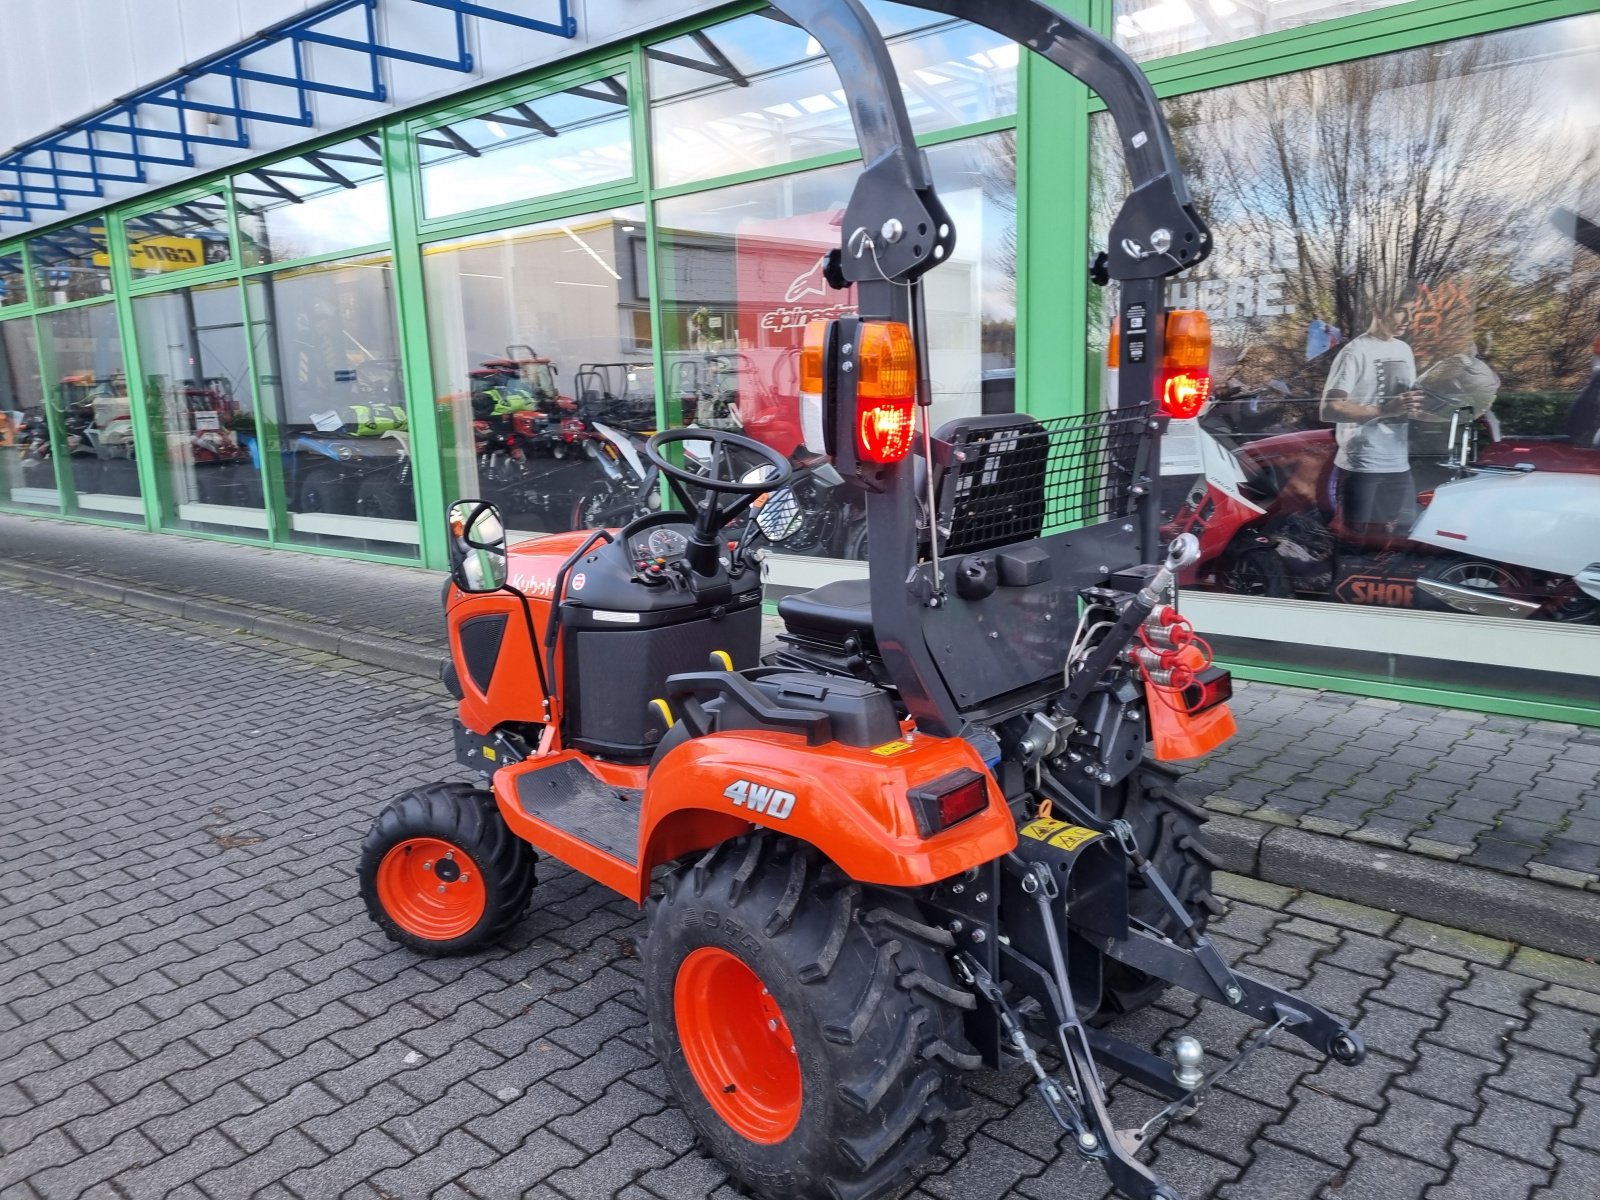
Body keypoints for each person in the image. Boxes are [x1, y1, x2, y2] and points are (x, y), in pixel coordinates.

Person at [1319, 285, 1436, 533]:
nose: (1408, 319)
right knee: (1356, 543)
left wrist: (1436, 412)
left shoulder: (1404, 350)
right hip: (1362, 465)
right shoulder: (1354, 351)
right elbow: (1329, 409)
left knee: (1394, 540)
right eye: (1400, 311)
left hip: (1398, 463)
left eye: (1411, 312)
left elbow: (1405, 405)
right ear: (1378, 309)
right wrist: (1384, 409)